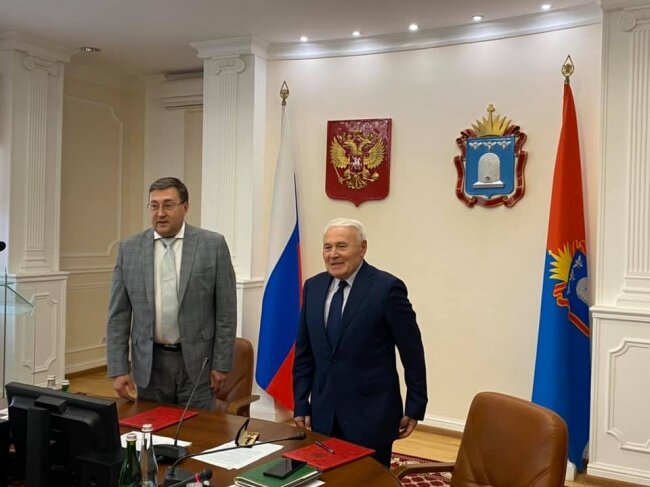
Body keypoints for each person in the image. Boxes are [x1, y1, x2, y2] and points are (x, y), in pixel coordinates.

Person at [293, 217, 428, 466]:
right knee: (325, 478)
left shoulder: (387, 288)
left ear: (362, 248)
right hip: (324, 414)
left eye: (341, 246)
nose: (333, 254)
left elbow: (412, 351)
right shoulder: (313, 287)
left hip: (371, 415)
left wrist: (415, 404)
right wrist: (301, 403)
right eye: (327, 247)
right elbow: (304, 353)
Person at [106, 177, 237, 410]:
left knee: (198, 429)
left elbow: (226, 312)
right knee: (151, 428)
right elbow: (118, 315)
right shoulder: (129, 249)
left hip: (198, 364)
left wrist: (221, 364)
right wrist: (118, 369)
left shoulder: (213, 245)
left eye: (168, 205)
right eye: (154, 206)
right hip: (149, 365)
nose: (160, 213)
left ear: (185, 207)